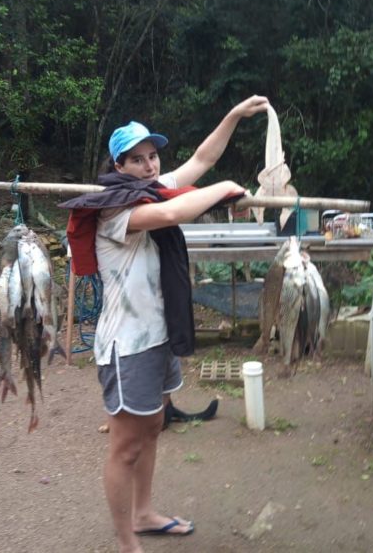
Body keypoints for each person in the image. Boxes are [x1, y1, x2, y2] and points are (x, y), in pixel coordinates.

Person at [64, 95, 268, 553]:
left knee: (154, 425)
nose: (149, 164)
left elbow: (202, 158)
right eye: (136, 159)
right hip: (127, 345)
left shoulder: (153, 186)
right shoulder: (117, 210)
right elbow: (177, 212)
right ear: (119, 166)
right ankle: (126, 542)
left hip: (158, 338)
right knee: (125, 446)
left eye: (152, 155)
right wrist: (226, 189)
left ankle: (143, 513)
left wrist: (234, 115)